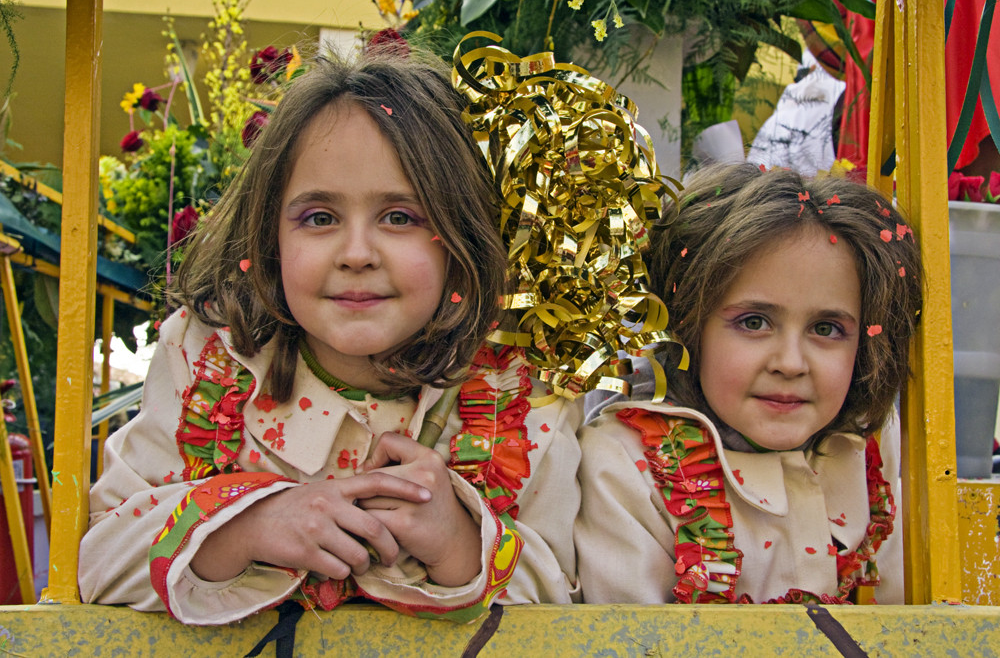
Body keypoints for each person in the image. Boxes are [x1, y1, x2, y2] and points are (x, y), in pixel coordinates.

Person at [79, 50, 582, 625]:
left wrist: (459, 542)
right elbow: (100, 563)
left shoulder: (526, 391)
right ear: (269, 233)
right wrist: (244, 527)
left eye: (400, 217)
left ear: (464, 233)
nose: (357, 254)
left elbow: (568, 594)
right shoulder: (204, 359)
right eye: (319, 218)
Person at [576, 163, 922, 604]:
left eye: (827, 329)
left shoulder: (874, 442)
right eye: (754, 322)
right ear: (688, 324)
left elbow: (902, 621)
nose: (791, 363)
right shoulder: (625, 461)